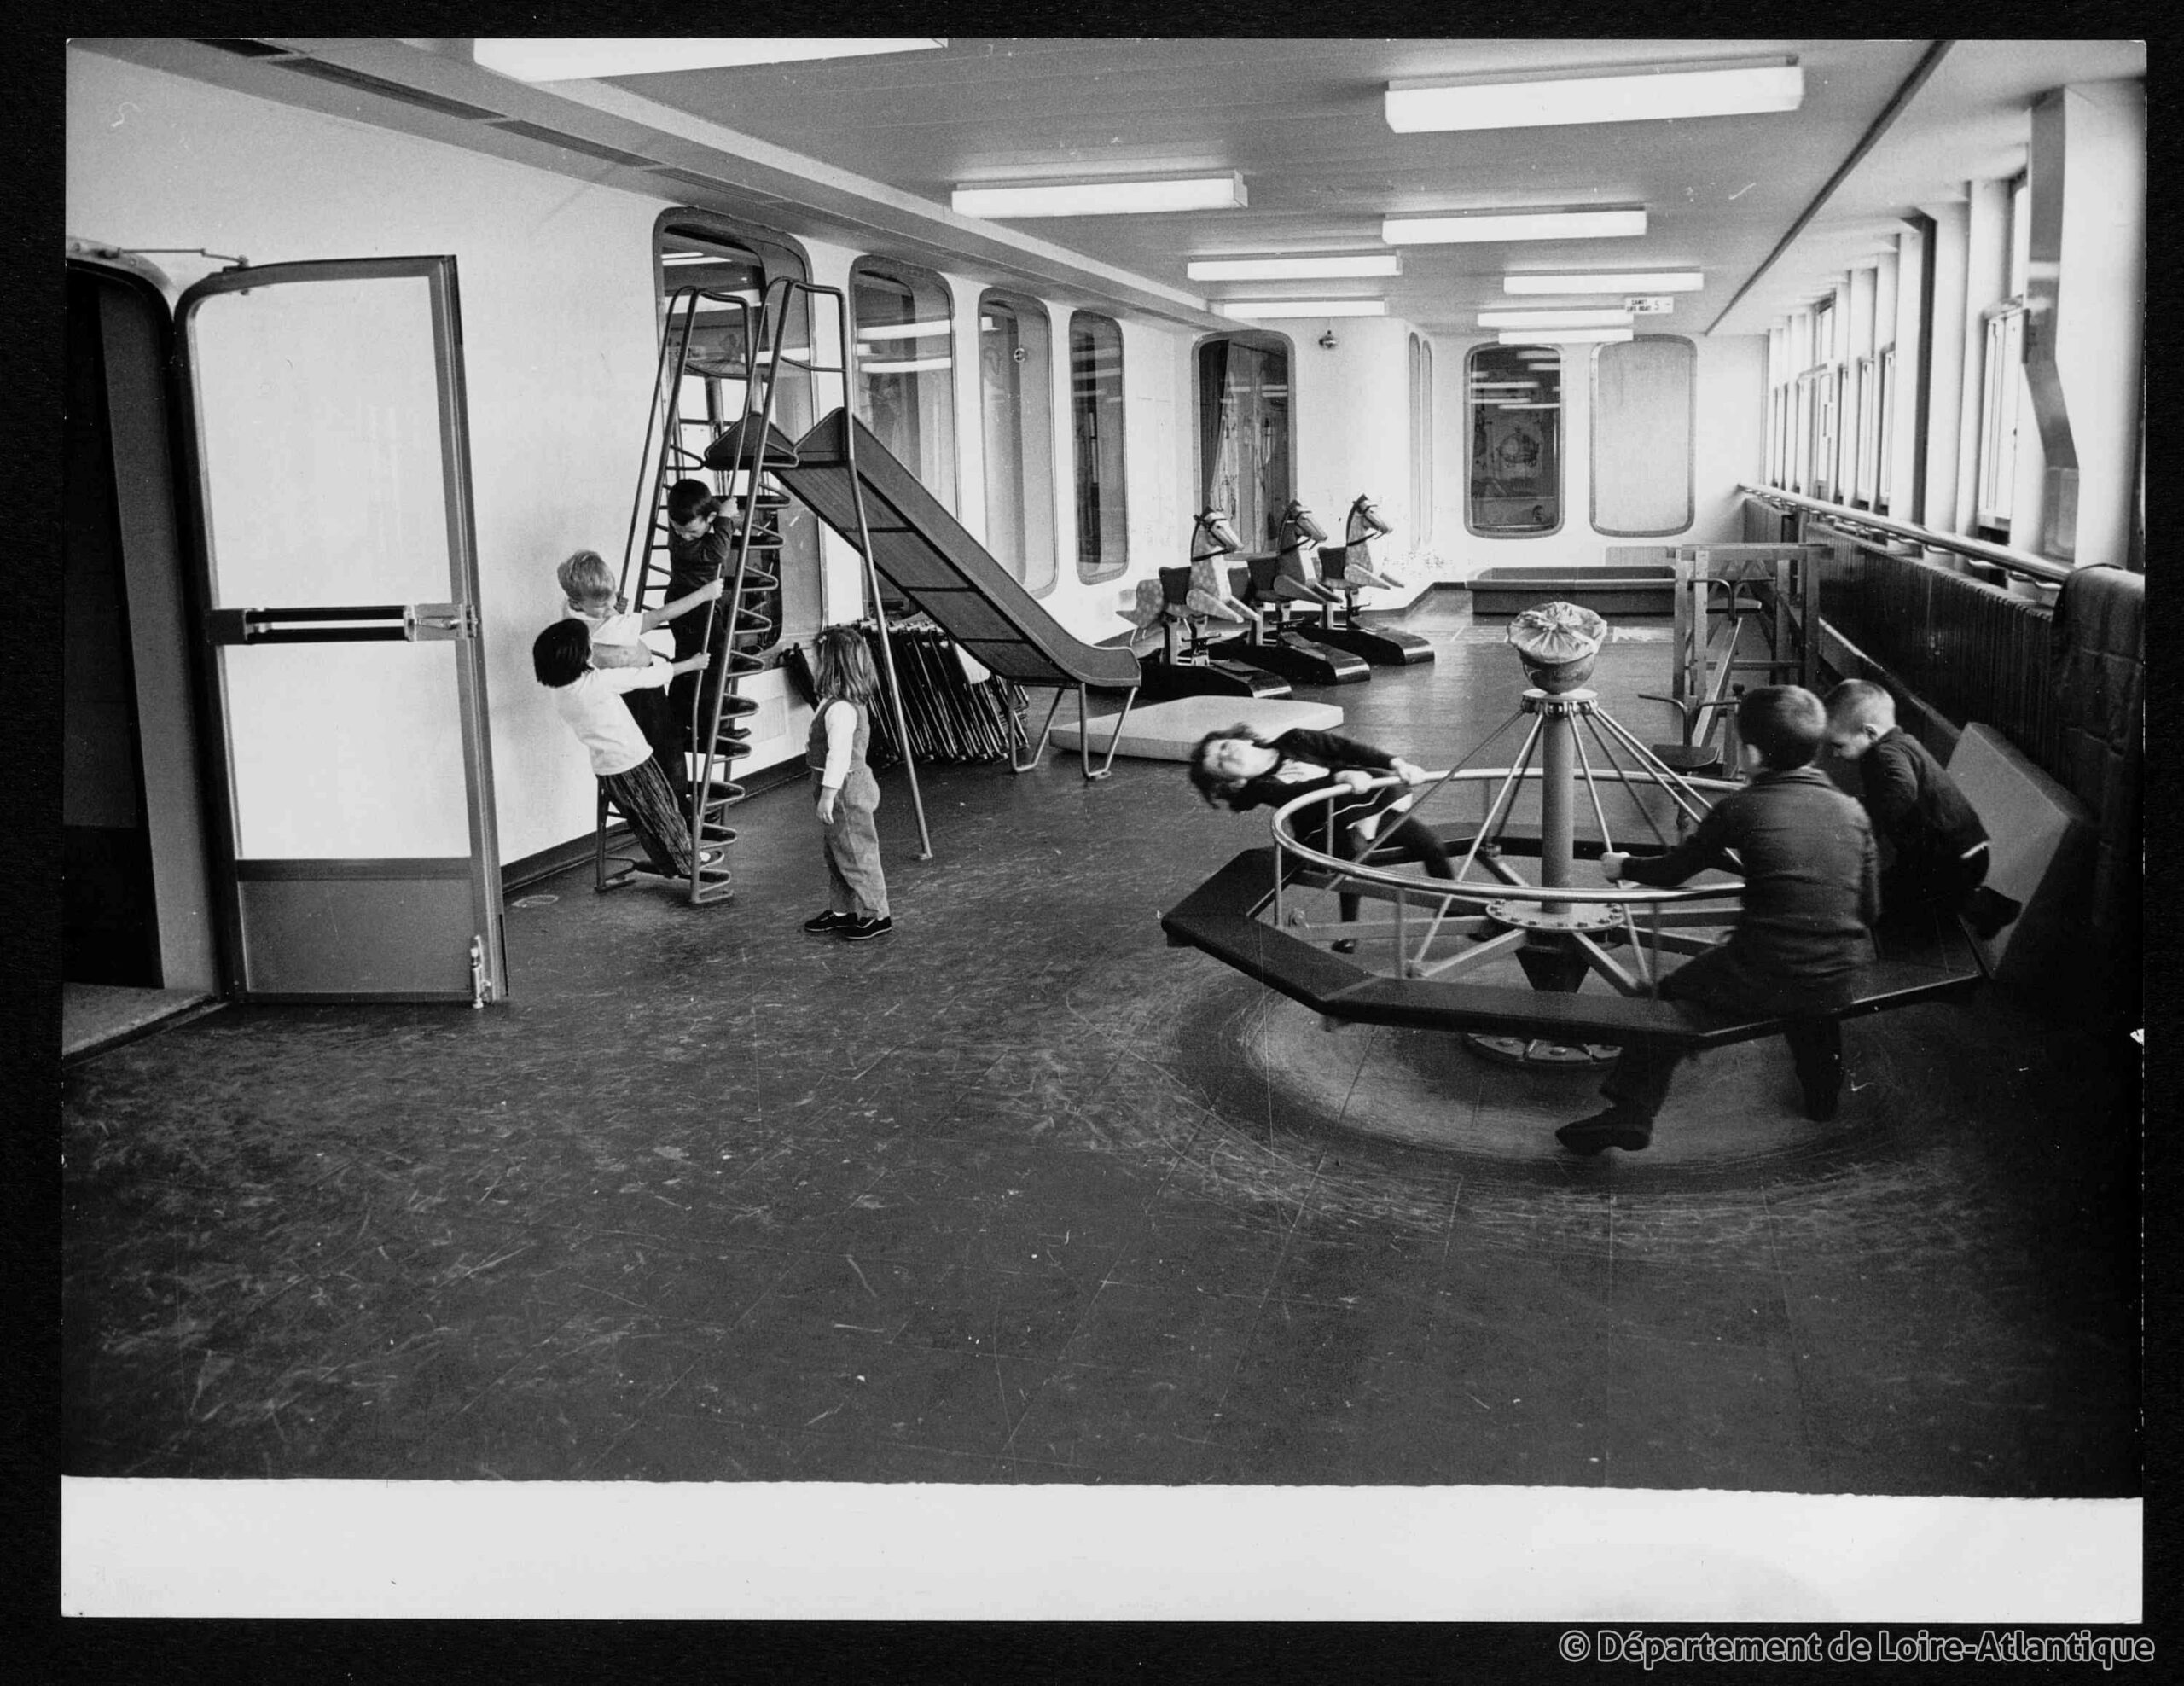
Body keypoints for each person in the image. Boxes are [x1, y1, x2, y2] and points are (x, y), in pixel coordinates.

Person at [1558, 685, 1879, 1155]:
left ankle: (1631, 1112)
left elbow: (1672, 872)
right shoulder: (1852, 811)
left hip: (1765, 968)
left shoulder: (1741, 807)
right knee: (1813, 1004)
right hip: (1840, 971)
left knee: (1671, 997)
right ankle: (1823, 1098)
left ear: (1749, 754)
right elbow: (1869, 907)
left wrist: (1622, 866)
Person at [1188, 725, 1448, 951]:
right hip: (1325, 827)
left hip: (1365, 807)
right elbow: (1298, 793)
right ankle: (1350, 929)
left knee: (1431, 844)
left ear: (1243, 738)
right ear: (1236, 781)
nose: (1226, 754)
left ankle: (1452, 904)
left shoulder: (1295, 739)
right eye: (1221, 764)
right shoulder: (1263, 787)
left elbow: (1345, 748)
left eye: (1223, 746)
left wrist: (1396, 763)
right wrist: (1339, 778)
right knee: (1353, 858)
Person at [1823, 679, 2022, 940]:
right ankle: (1982, 905)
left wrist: (1868, 829)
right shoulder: (1903, 743)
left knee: (1894, 899)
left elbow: (1900, 790)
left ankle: (1984, 908)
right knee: (1919, 888)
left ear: (1870, 733)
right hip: (1965, 850)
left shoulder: (1884, 755)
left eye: (1838, 745)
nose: (1835, 755)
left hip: (1948, 856)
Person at [532, 618, 723, 887]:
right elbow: (645, 676)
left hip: (606, 769)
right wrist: (691, 665)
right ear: (578, 656)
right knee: (664, 810)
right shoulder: (597, 682)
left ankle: (668, 863)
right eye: (589, 647)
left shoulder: (559, 691)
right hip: (633, 762)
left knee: (643, 819)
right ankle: (690, 861)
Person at [558, 549, 721, 791]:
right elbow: (659, 616)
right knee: (668, 748)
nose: (609, 609)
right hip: (642, 692)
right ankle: (682, 808)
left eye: (610, 600)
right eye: (601, 606)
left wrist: (608, 607)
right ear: (577, 602)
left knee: (660, 744)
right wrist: (704, 594)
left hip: (622, 696)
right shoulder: (608, 627)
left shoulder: (571, 616)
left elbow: (602, 610)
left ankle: (677, 797)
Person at [802, 625, 892, 942]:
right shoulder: (833, 701)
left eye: (818, 660)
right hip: (834, 786)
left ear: (831, 665)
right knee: (838, 853)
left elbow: (838, 757)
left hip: (843, 790)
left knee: (856, 853)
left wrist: (827, 796)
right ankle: (842, 911)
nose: (814, 665)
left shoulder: (841, 708)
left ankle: (876, 913)